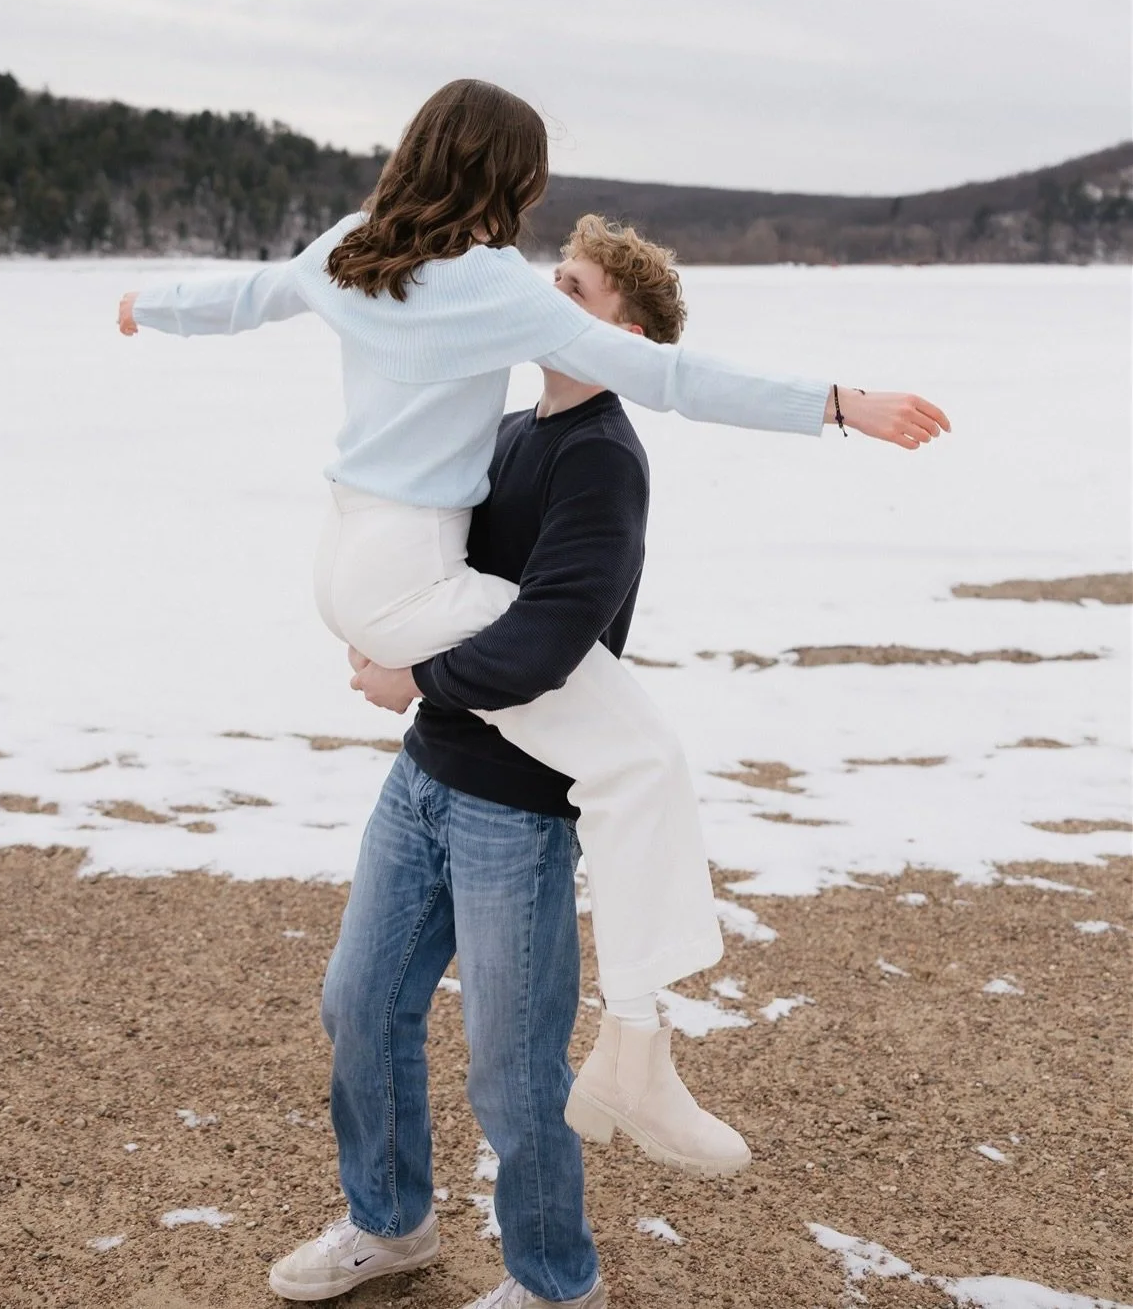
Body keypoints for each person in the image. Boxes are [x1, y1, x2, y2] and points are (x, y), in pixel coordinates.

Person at [119, 78, 948, 1169]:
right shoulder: (496, 290)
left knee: (630, 757)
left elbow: (249, 295)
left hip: (349, 554)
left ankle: (633, 1053)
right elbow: (672, 374)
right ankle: (636, 1056)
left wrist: (149, 303)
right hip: (411, 572)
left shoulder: (352, 247)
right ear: (508, 178)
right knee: (643, 756)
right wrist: (837, 400)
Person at [267, 214, 741, 1308]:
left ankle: (554, 1279)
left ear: (626, 330)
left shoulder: (605, 460)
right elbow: (434, 571)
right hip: (425, 775)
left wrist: (416, 678)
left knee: (515, 1070)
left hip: (517, 806)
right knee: (360, 1001)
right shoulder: (513, 430)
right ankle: (390, 1221)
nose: (547, 295)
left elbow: (551, 634)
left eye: (574, 290)